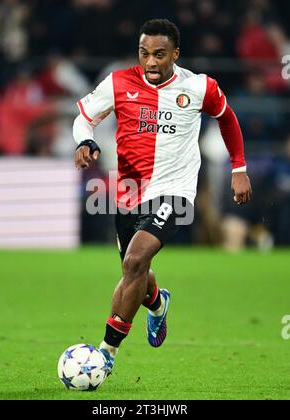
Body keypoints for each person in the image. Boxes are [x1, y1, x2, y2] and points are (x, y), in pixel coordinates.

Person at [72, 19, 252, 380]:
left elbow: (227, 119)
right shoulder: (118, 83)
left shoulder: (199, 87)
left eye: (159, 54)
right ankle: (156, 302)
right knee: (134, 270)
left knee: (135, 260)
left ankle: (106, 353)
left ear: (175, 54)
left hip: (175, 191)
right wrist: (85, 141)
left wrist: (239, 168)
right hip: (128, 193)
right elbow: (84, 118)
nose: (150, 62)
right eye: (144, 53)